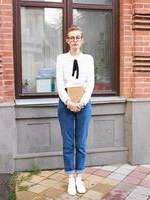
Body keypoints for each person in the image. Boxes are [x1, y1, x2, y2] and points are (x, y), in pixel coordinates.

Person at [56, 25, 94, 196]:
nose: (75, 40)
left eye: (78, 37)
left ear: (82, 39)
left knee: (81, 143)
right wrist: (68, 102)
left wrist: (82, 102)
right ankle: (70, 177)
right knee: (68, 143)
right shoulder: (61, 58)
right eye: (72, 38)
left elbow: (91, 83)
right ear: (67, 41)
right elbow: (59, 83)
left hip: (84, 105)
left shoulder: (88, 59)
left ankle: (79, 176)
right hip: (66, 105)